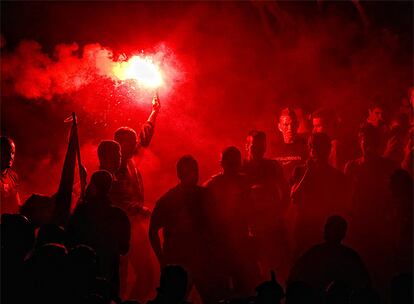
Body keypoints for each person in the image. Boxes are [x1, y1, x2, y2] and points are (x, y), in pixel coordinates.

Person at [149, 155, 216, 303]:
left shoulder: (204, 196)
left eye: (195, 171)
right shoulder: (168, 200)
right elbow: (152, 230)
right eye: (190, 172)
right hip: (179, 261)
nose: (194, 175)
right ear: (179, 174)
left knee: (209, 297)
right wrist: (162, 259)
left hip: (199, 258)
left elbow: (216, 225)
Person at [113, 95, 160, 301]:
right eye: (130, 143)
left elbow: (145, 136)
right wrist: (138, 210)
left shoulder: (130, 160)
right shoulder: (113, 170)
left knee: (147, 275)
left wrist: (154, 111)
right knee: (120, 279)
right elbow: (116, 201)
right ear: (119, 145)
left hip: (135, 230)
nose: (135, 145)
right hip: (121, 231)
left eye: (133, 142)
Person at [204, 146, 260, 298]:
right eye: (229, 163)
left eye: (233, 163)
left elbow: (253, 211)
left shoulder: (244, 183)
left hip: (239, 241)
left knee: (243, 286)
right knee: (225, 287)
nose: (231, 166)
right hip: (222, 243)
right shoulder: (213, 185)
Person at [66, 170, 131, 299]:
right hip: (109, 275)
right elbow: (124, 249)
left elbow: (69, 240)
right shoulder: (120, 215)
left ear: (94, 187)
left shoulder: (81, 213)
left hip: (83, 275)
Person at [291, 133, 350, 256]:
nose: (314, 151)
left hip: (325, 229)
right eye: (311, 147)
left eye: (318, 147)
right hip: (304, 228)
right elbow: (294, 197)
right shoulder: (300, 170)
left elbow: (341, 207)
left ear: (327, 150)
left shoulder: (337, 177)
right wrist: (308, 172)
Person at [241, 130, 290, 280]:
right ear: (247, 146)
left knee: (279, 265)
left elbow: (285, 191)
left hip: (272, 224)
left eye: (262, 148)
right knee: (255, 269)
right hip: (251, 226)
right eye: (255, 148)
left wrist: (278, 212)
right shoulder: (240, 167)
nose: (259, 152)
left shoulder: (272, 166)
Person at [288, 216, 371, 295]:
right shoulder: (350, 256)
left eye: (329, 227)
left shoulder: (315, 253)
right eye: (326, 227)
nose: (325, 229)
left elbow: (294, 276)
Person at [270, 108, 308, 182]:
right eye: (286, 125)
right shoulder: (273, 148)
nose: (290, 128)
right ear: (279, 127)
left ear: (297, 125)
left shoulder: (306, 146)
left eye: (292, 124)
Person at [1, 136, 20, 214]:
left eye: (12, 153)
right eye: (6, 152)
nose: (10, 157)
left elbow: (17, 205)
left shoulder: (14, 176)